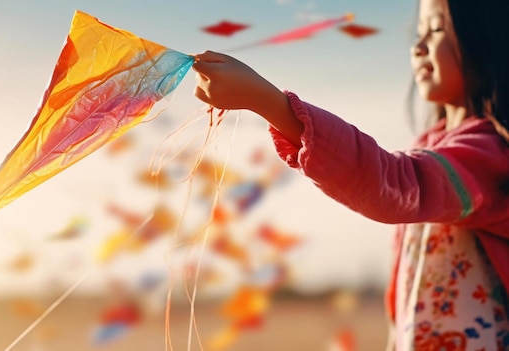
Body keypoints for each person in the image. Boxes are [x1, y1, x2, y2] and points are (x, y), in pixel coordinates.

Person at [192, 0, 509, 349]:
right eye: (418, 33)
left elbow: (397, 182)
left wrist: (267, 101)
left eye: (435, 30)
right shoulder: (434, 147)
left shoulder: (491, 153)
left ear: (489, 38)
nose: (417, 47)